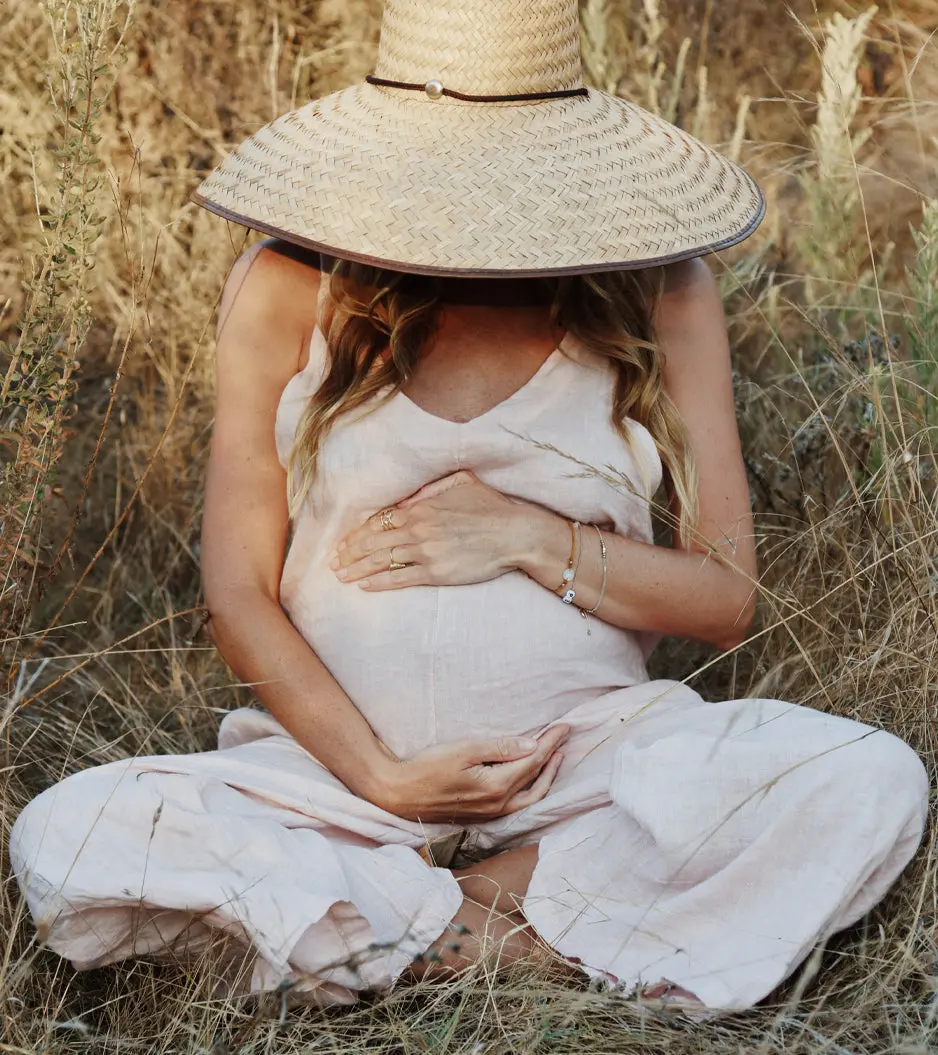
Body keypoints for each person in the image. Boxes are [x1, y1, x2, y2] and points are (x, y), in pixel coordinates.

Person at [10, 0, 929, 1017]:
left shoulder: (657, 288)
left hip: (584, 767)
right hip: (338, 783)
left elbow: (722, 597)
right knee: (71, 832)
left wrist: (530, 536)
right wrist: (384, 777)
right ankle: (539, 934)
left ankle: (436, 918)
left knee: (863, 777)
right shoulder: (288, 283)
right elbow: (237, 596)